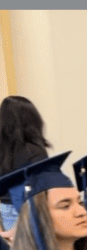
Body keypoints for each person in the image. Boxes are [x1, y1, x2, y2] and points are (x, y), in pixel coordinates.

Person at [0, 96, 51, 232]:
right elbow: (42, 186)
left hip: (5, 210)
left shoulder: (2, 150)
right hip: (29, 209)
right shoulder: (35, 150)